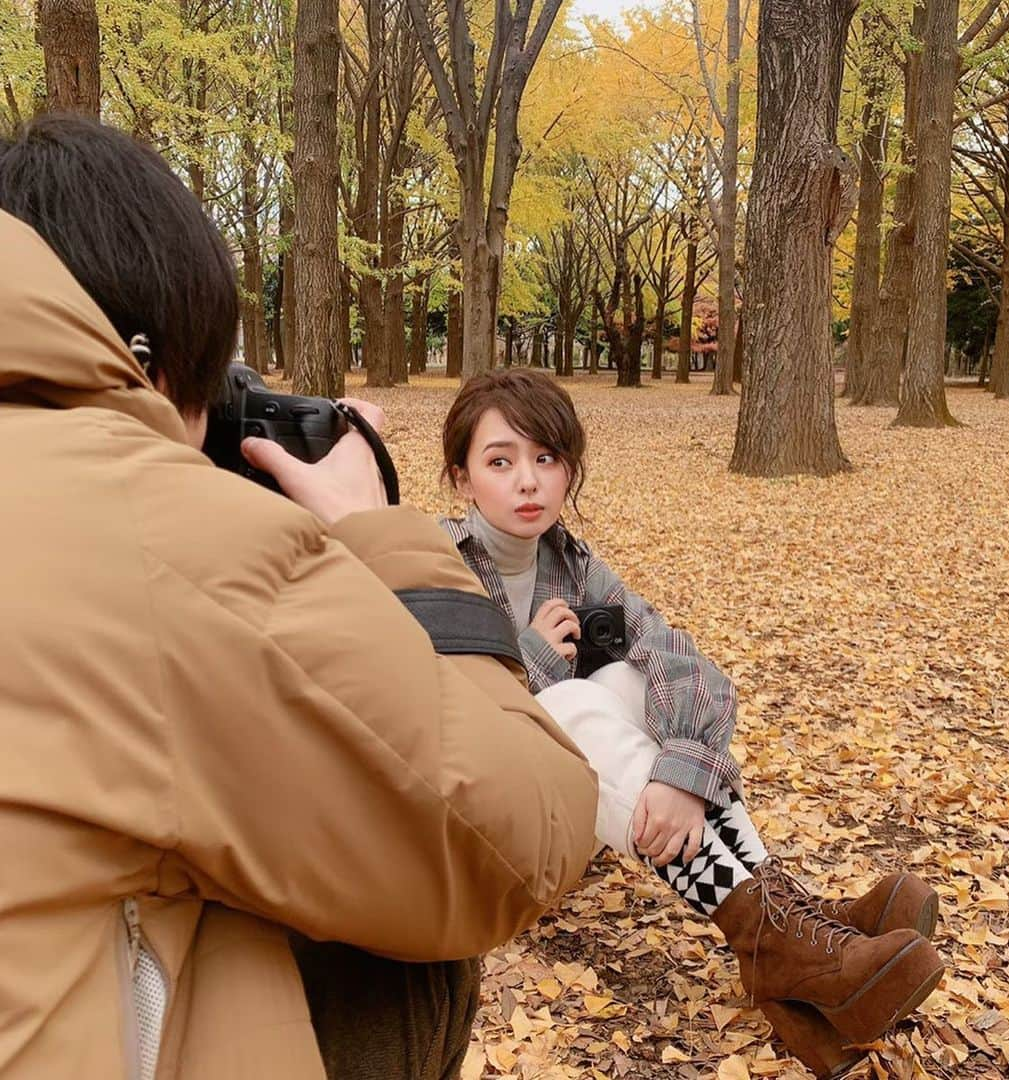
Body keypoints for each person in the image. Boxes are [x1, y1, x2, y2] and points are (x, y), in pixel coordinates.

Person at [0, 115, 597, 1080]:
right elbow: (521, 835)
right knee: (394, 933)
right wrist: (379, 535)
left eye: (544, 460)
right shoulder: (164, 542)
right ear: (149, 373)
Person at [439, 368, 945, 1079]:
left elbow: (685, 665)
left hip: (577, 814)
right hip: (480, 833)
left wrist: (681, 771)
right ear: (461, 479)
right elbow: (432, 717)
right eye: (500, 461)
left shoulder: (576, 566)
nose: (528, 481)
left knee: (628, 673)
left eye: (545, 458)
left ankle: (788, 943)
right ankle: (788, 938)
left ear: (568, 471)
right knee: (577, 699)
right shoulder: (436, 565)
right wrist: (531, 664)